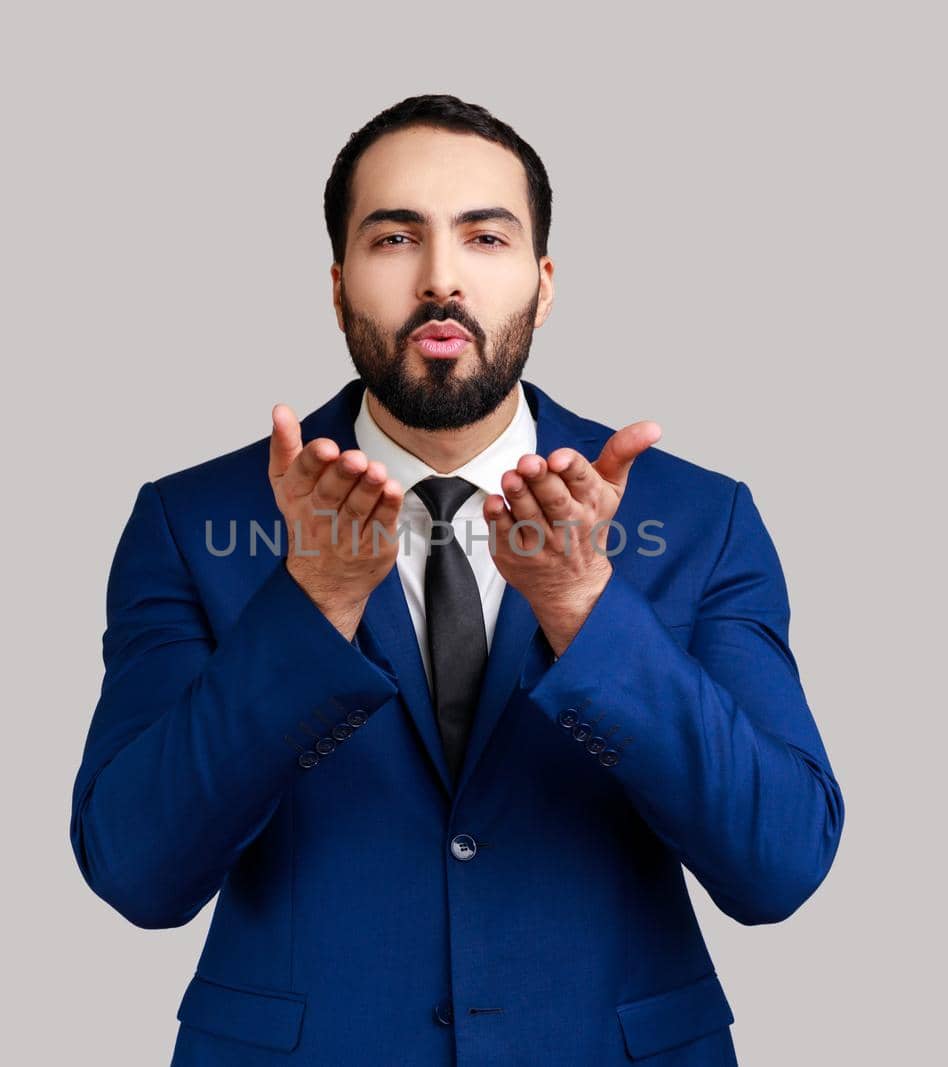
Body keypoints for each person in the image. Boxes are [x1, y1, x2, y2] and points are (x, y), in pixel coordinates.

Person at [69, 94, 845, 1067]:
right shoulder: (190, 523)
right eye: (395, 238)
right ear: (340, 282)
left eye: (485, 237)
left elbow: (777, 865)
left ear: (543, 281)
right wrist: (312, 606)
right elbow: (138, 872)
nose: (441, 279)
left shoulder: (698, 517)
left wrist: (584, 611)